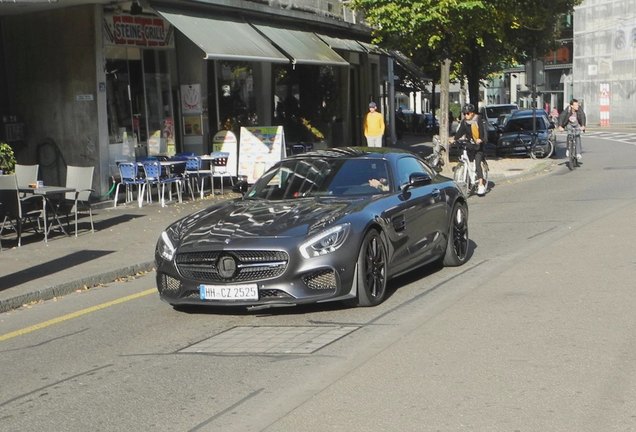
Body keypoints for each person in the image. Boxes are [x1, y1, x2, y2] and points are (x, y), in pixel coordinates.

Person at [451, 103, 488, 196]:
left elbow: (483, 133)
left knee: (477, 163)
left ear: (472, 113)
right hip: (469, 145)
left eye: (467, 113)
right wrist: (454, 139)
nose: (465, 115)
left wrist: (481, 139)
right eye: (464, 114)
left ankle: (480, 184)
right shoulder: (464, 122)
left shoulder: (479, 120)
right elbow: (460, 132)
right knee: (465, 158)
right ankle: (466, 179)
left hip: (479, 146)